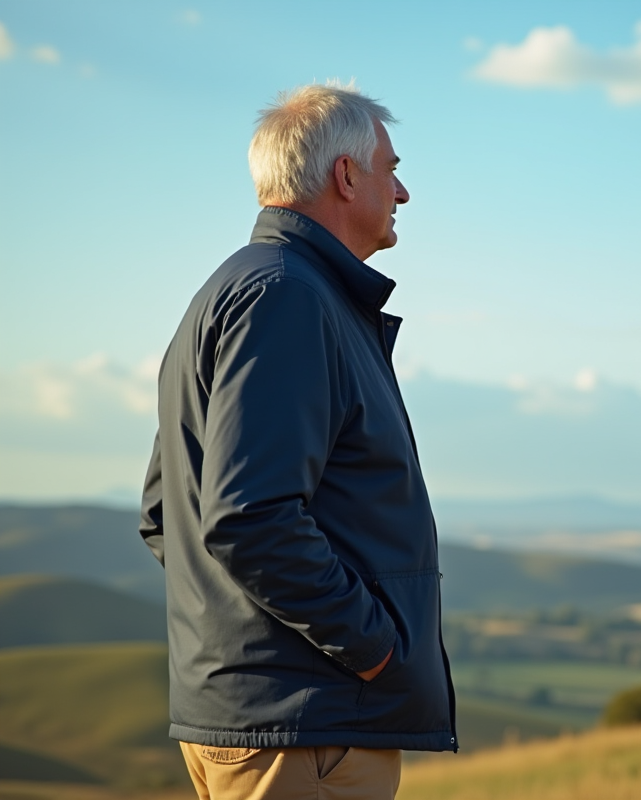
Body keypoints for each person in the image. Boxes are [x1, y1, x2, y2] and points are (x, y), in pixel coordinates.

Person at [138, 82, 456, 800]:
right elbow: (249, 519)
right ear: (347, 177)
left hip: (281, 719)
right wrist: (373, 649)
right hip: (309, 730)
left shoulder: (245, 288)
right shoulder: (288, 296)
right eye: (391, 168)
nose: (401, 192)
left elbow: (167, 513)